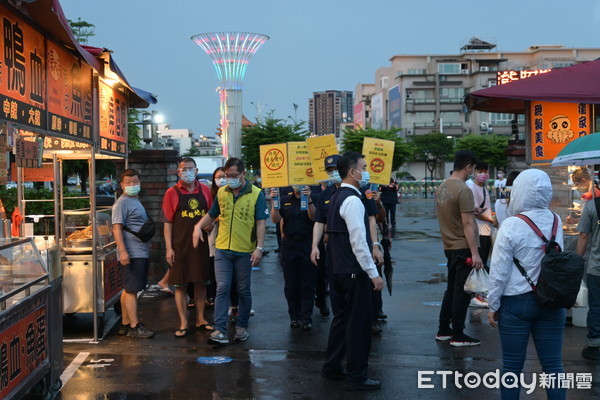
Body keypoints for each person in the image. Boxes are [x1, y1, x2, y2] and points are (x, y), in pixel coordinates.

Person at [487, 169, 566, 400]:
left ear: (519, 191)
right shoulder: (556, 220)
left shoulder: (511, 224)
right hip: (551, 301)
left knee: (512, 367)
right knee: (553, 366)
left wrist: (493, 305)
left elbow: (499, 271)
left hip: (516, 303)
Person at [320, 152, 384, 391]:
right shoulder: (352, 200)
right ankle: (357, 375)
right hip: (353, 271)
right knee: (358, 324)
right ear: (352, 172)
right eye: (363, 167)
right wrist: (373, 273)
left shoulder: (337, 195)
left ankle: (332, 366)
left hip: (337, 269)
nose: (366, 172)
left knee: (341, 320)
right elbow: (359, 241)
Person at [193, 158, 268, 345]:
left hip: (244, 251)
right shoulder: (222, 193)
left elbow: (261, 223)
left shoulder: (256, 194)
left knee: (243, 290)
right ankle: (220, 330)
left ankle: (242, 327)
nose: (229, 179)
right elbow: (212, 214)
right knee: (222, 288)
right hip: (222, 249)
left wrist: (259, 248)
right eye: (227, 176)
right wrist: (198, 227)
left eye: (233, 176)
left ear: (243, 174)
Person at [310, 155, 383, 317]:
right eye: (330, 171)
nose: (333, 173)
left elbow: (371, 219)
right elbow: (319, 221)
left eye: (336, 169)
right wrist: (315, 245)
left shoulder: (363, 192)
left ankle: (372, 317)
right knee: (346, 309)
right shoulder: (330, 194)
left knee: (361, 301)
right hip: (342, 256)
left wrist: (375, 245)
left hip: (357, 253)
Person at [434, 150, 483, 347]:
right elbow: (468, 224)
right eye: (474, 168)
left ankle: (444, 330)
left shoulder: (442, 186)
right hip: (463, 247)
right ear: (469, 167)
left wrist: (473, 211)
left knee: (451, 289)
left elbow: (453, 214)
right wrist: (475, 253)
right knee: (462, 292)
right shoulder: (463, 189)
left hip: (449, 245)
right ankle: (458, 334)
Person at [161, 158, 214, 337]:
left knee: (201, 283)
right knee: (180, 286)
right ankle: (183, 322)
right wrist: (169, 248)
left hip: (201, 246)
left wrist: (211, 226)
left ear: (197, 170)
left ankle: (200, 318)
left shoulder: (206, 190)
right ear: (178, 172)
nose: (187, 172)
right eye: (184, 169)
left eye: (190, 168)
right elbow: (167, 223)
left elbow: (211, 215)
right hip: (180, 246)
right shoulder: (172, 192)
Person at [112, 169, 154, 339]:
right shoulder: (121, 203)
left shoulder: (134, 201)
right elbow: (116, 228)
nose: (132, 185)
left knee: (128, 289)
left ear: (140, 182)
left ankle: (125, 323)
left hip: (138, 251)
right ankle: (135, 326)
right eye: (128, 182)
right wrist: (123, 251)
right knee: (132, 290)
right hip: (132, 252)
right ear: (122, 185)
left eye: (135, 181)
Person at [270, 184, 317, 330]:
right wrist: (274, 202)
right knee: (291, 284)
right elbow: (276, 219)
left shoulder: (313, 196)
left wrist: (308, 199)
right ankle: (294, 316)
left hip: (307, 242)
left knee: (307, 282)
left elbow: (314, 217)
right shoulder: (284, 198)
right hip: (289, 244)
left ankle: (306, 317)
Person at [576, 182, 600, 361]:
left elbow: (584, 236)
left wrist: (577, 261)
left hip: (597, 268)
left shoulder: (592, 206)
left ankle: (594, 346)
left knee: (597, 306)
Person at [466, 161, 495, 268]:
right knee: (480, 264)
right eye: (480, 171)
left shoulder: (483, 188)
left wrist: (491, 216)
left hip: (486, 230)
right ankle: (477, 284)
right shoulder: (471, 187)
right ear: (474, 172)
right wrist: (492, 220)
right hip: (479, 232)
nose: (484, 174)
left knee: (483, 262)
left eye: (485, 171)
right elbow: (476, 212)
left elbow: (484, 208)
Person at [206, 167, 227, 308]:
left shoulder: (232, 193)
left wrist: (214, 220)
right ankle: (211, 298)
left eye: (224, 176)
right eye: (218, 176)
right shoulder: (210, 194)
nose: (221, 179)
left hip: (229, 237)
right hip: (213, 237)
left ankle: (233, 304)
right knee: (213, 271)